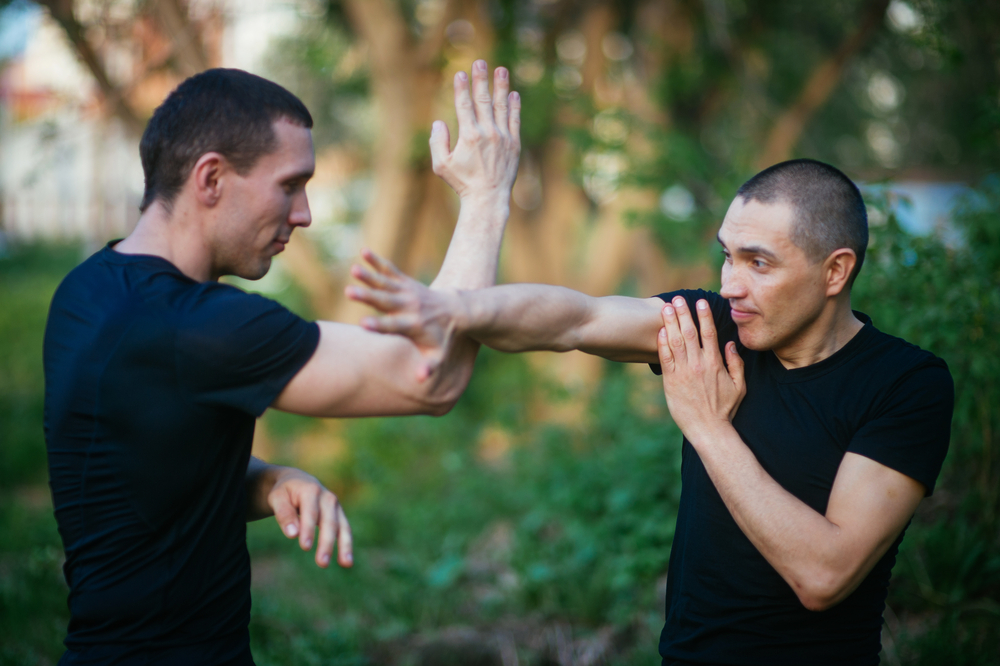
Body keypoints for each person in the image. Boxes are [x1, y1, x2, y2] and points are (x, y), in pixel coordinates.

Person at [348, 158, 954, 665]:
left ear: (836, 271)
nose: (731, 285)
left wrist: (707, 426)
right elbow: (575, 319)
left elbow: (824, 575)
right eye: (727, 256)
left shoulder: (905, 384)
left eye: (758, 262)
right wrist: (452, 308)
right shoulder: (714, 326)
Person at [43, 61, 520, 665]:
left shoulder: (88, 293)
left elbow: (148, 479)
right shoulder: (198, 326)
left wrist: (267, 482)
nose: (304, 213)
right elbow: (430, 379)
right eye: (290, 185)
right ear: (211, 178)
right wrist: (485, 198)